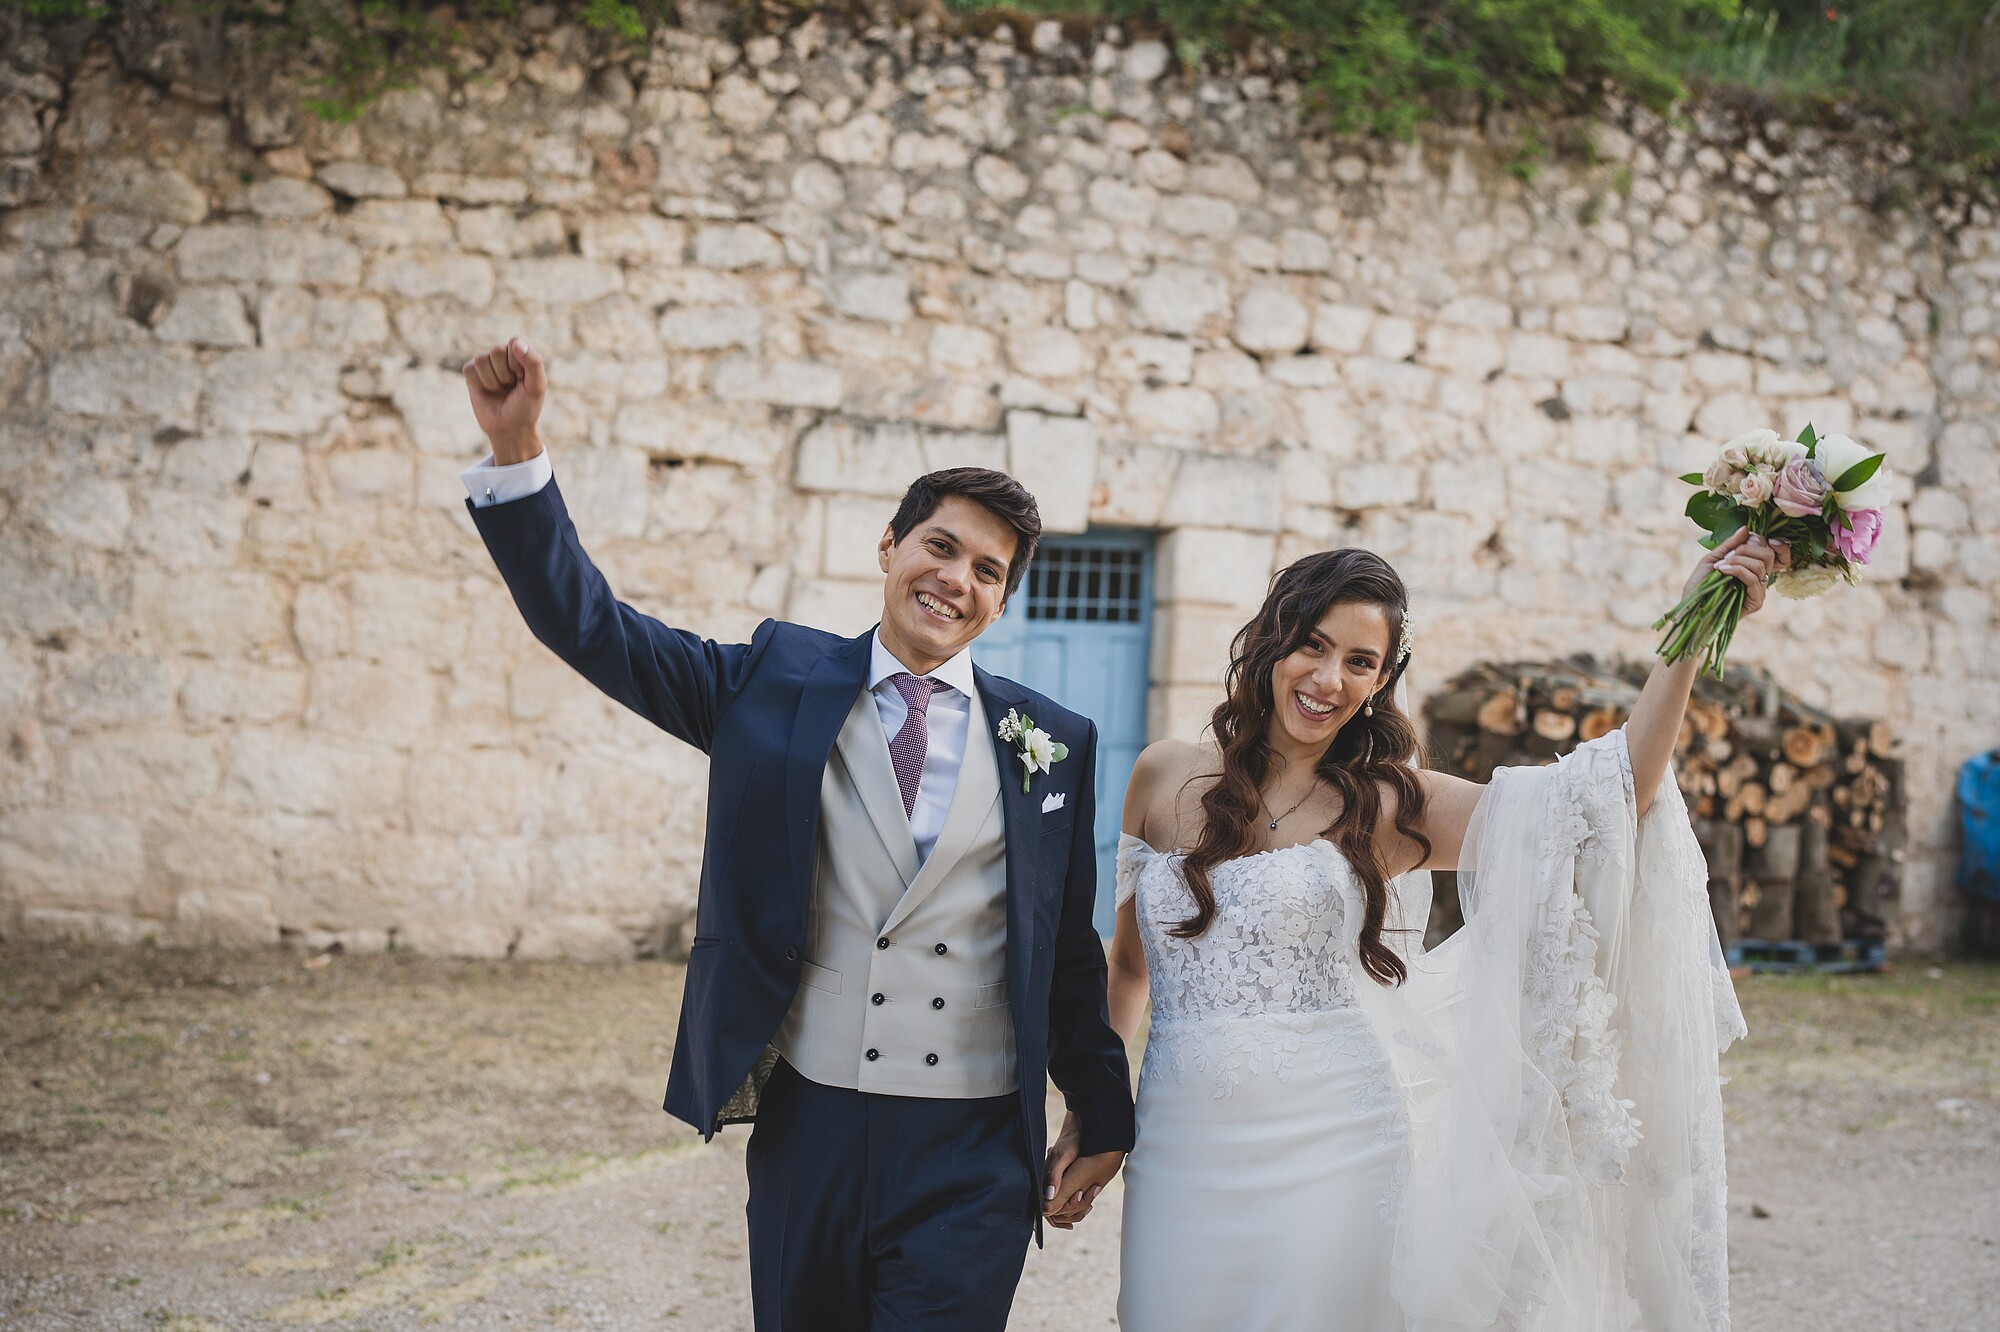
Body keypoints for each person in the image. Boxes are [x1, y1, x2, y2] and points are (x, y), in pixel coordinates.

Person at [457, 337, 1133, 1331]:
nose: (955, 578)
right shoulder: (767, 683)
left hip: (973, 1149)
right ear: (889, 547)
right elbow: (593, 628)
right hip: (812, 1121)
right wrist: (517, 453)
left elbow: (1064, 951)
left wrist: (1100, 1107)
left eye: (987, 570)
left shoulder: (1049, 743)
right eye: (939, 546)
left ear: (1002, 599)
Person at [1045, 533, 1783, 1330]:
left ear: (1382, 680)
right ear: (1270, 642)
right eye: (1313, 646)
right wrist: (1095, 1112)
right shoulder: (1161, 774)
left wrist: (1689, 631)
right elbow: (1127, 971)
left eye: (1361, 662)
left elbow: (1606, 798)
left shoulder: (1392, 803)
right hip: (1182, 1149)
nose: (1329, 680)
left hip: (1337, 1150)